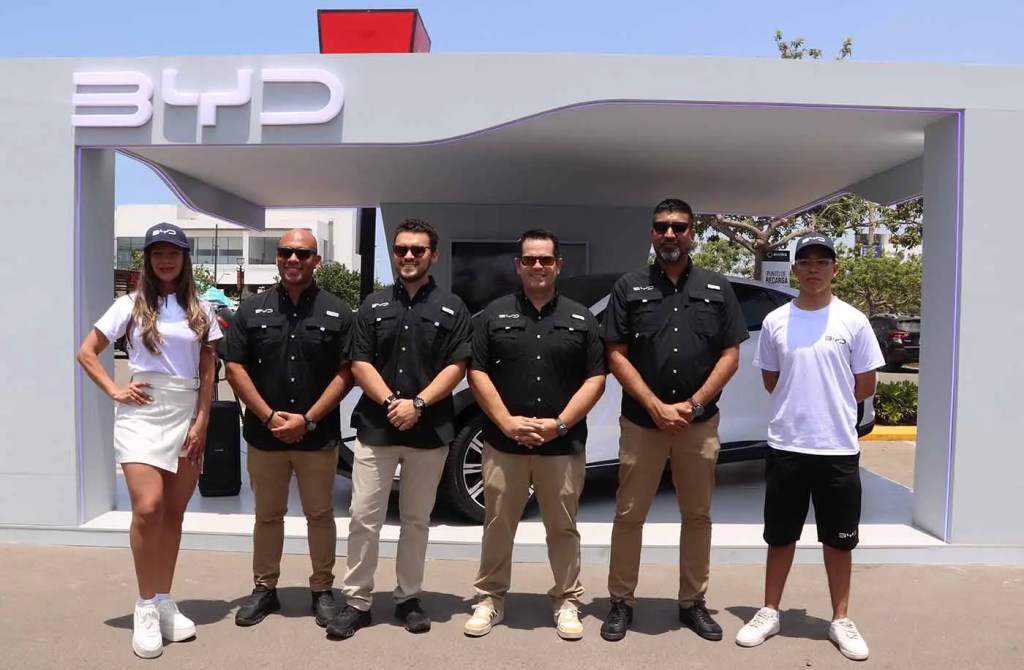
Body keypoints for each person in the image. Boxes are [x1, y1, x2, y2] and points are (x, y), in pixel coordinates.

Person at [600, 198, 748, 643]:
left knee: (698, 516)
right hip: (643, 424)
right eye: (662, 227)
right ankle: (621, 602)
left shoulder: (718, 288)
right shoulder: (629, 287)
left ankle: (692, 602)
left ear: (692, 233)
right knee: (629, 514)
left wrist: (695, 405)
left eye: (679, 227)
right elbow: (615, 355)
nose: (670, 234)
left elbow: (731, 354)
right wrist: (655, 407)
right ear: (651, 233)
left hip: (698, 425)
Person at [736, 234, 884, 661]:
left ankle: (840, 619)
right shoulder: (776, 321)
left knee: (839, 540)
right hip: (787, 444)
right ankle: (769, 611)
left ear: (835, 269)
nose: (814, 269)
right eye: (806, 262)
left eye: (823, 261)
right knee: (780, 535)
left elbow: (865, 385)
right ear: (795, 269)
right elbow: (771, 379)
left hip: (837, 447)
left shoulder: (853, 321)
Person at [77, 222, 222, 659]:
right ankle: (143, 606)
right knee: (148, 507)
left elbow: (209, 369)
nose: (165, 259)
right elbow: (86, 351)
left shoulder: (201, 308)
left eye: (173, 251)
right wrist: (115, 390)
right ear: (147, 258)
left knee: (174, 514)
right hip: (142, 411)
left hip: (186, 413)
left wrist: (202, 422)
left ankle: (163, 598)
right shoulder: (128, 305)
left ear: (184, 257)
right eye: (157, 252)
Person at [326, 219, 472, 640]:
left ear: (433, 255)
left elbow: (457, 366)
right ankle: (357, 602)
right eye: (402, 249)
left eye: (418, 250)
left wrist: (419, 404)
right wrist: (393, 403)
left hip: (429, 432)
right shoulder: (372, 305)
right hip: (377, 429)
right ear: (393, 254)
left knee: (416, 520)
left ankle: (408, 598)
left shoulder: (452, 307)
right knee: (363, 518)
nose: (409, 256)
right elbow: (359, 362)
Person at [464, 229, 606, 640]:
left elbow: (595, 379)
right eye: (530, 260)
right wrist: (506, 421)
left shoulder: (582, 318)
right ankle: (489, 599)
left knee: (562, 527)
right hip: (504, 443)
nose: (538, 266)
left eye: (546, 259)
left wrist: (560, 423)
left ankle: (566, 600)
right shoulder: (494, 314)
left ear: (559, 265)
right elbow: (478, 372)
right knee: (497, 524)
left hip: (561, 445)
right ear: (518, 266)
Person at [219, 229, 355, 629]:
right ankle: (264, 589)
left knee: (320, 514)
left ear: (316, 260)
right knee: (267, 515)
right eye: (285, 252)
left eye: (302, 253)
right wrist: (268, 416)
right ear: (277, 259)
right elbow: (235, 366)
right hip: (266, 435)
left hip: (317, 436)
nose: (292, 259)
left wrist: (308, 418)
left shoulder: (338, 312)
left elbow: (347, 373)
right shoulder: (251, 309)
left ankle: (322, 590)